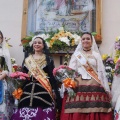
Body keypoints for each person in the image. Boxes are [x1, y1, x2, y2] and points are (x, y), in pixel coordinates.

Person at [60, 32, 113, 120]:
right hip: (78, 83)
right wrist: (67, 85)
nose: (85, 41)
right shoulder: (76, 55)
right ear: (81, 41)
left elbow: (101, 71)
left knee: (95, 106)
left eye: (88, 39)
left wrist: (106, 88)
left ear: (92, 41)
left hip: (94, 82)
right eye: (83, 39)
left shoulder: (96, 55)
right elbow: (71, 71)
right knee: (77, 106)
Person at [11, 35, 61, 120]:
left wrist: (53, 89)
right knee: (24, 103)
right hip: (28, 86)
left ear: (43, 45)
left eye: (39, 43)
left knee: (42, 105)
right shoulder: (27, 59)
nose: (37, 44)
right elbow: (24, 73)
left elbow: (51, 75)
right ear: (32, 45)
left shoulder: (48, 59)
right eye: (35, 43)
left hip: (43, 87)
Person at [0, 31, 13, 120]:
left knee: (2, 106)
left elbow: (7, 68)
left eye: (0, 37)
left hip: (1, 80)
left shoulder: (4, 52)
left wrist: (2, 75)